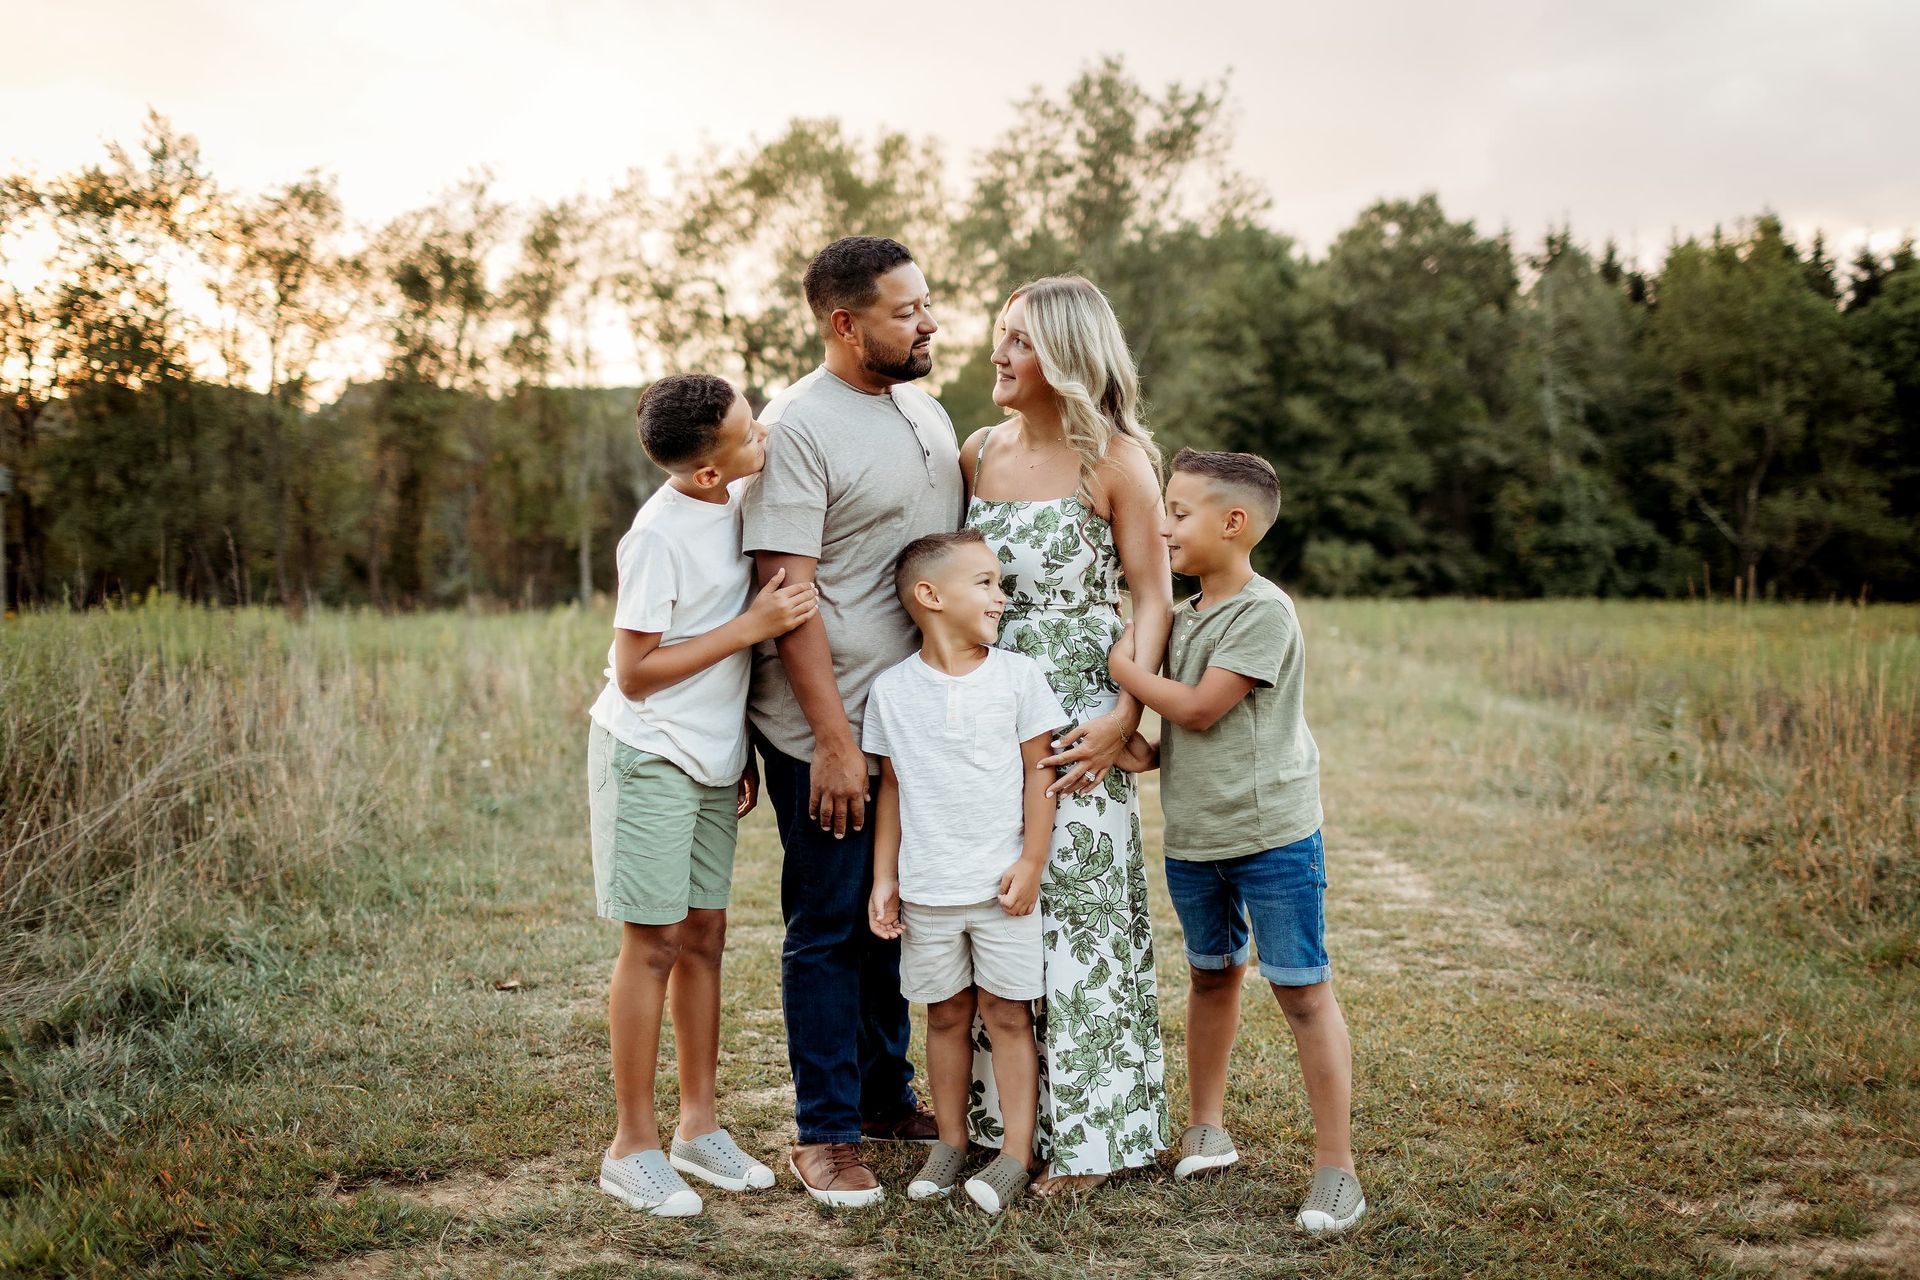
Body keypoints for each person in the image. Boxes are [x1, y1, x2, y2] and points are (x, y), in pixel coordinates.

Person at [741, 236, 965, 1206]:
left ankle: (885, 1093)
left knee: (888, 919)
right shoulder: (797, 425)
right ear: (845, 323)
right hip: (825, 728)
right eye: (906, 309)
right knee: (829, 922)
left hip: (911, 721)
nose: (928, 322)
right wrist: (833, 741)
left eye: (926, 304)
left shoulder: (924, 405)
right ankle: (825, 1130)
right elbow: (786, 590)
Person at [1106, 448, 1366, 1234]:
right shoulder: (1182, 619)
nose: (1162, 525)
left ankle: (1338, 1171)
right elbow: (1174, 740)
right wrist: (1133, 748)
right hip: (1195, 838)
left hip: (1271, 837)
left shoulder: (1263, 611)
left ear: (1234, 523)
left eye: (1178, 513)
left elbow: (1196, 710)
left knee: (1300, 990)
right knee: (1211, 976)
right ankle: (1207, 1126)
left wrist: (1122, 668)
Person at [959, 275, 1173, 1193]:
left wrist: (1130, 712)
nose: (998, 355)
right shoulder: (976, 453)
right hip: (987, 708)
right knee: (999, 901)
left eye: (1019, 341)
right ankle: (1005, 1125)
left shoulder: (1118, 460)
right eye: (999, 336)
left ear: (1069, 358)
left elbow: (1155, 592)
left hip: (1083, 713)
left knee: (1081, 921)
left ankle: (1094, 1138)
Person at [587, 374, 819, 1216]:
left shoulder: (735, 498)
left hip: (715, 757)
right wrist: (750, 628)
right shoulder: (657, 535)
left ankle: (697, 1127)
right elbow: (636, 673)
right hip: (649, 752)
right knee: (652, 943)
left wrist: (741, 749)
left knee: (707, 936)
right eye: (749, 435)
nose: (764, 442)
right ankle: (633, 1145)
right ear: (710, 471)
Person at [863, 530, 1066, 1215]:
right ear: (930, 596)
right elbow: (891, 789)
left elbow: (1042, 772)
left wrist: (1033, 859)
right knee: (945, 1015)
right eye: (984, 582)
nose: (1000, 596)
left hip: (1002, 887)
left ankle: (1015, 1152)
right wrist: (884, 878)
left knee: (1009, 1015)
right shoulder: (891, 691)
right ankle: (949, 1144)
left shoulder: (1018, 677)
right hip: (929, 887)